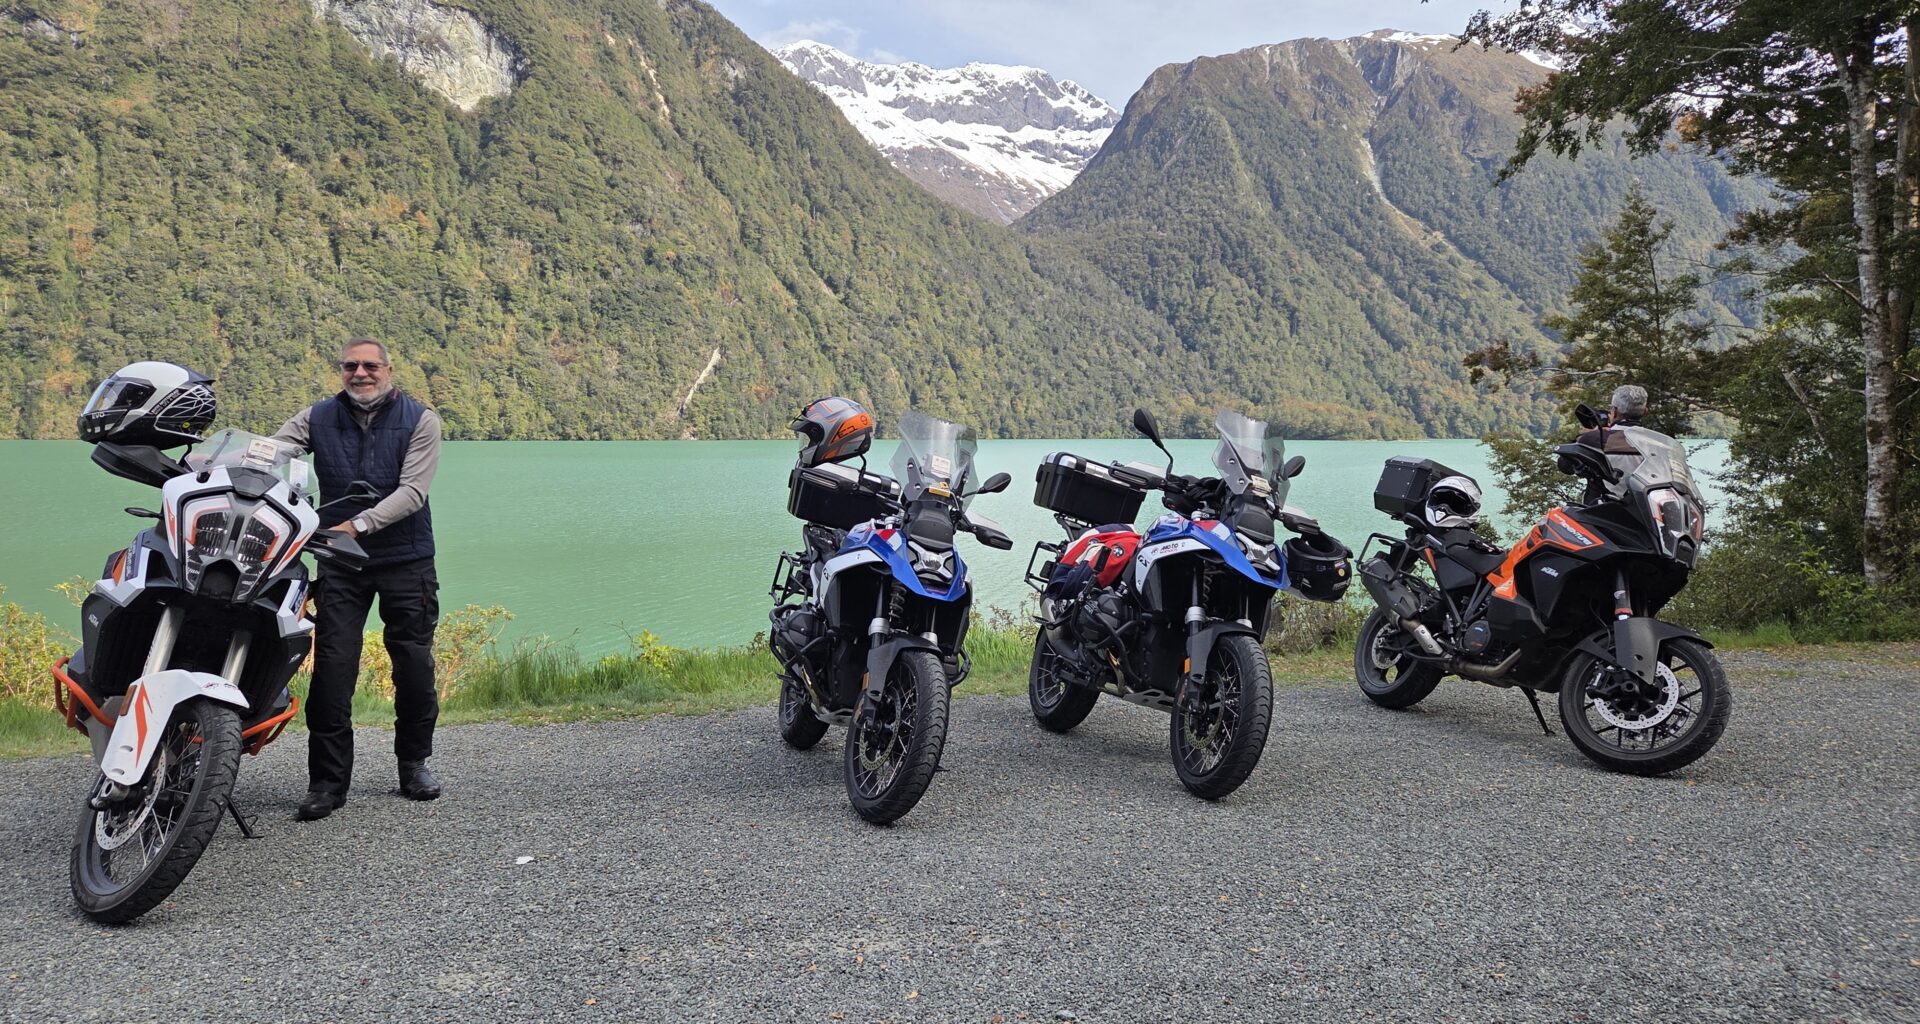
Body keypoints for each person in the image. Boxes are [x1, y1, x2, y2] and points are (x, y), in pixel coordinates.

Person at [273, 338, 445, 821]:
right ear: (341, 371)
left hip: (406, 559)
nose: (360, 373)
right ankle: (327, 784)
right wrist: (215, 465)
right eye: (351, 366)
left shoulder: (421, 420)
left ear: (389, 370)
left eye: (370, 365)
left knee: (413, 665)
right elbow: (272, 450)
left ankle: (413, 764)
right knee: (332, 669)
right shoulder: (318, 417)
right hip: (341, 561)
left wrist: (357, 525)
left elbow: (412, 492)